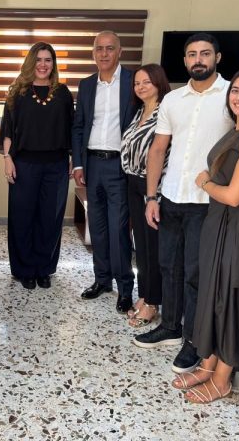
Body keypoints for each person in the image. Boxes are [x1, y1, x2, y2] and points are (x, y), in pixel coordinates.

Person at [134, 33, 239, 375]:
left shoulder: (235, 95)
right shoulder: (173, 100)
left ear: (217, 57)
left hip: (210, 203)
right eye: (191, 54)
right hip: (171, 196)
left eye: (204, 53)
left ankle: (193, 339)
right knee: (169, 266)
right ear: (185, 60)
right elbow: (158, 150)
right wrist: (152, 196)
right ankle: (170, 326)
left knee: (197, 275)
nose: (197, 59)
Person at [170, 68, 239, 403]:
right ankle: (208, 364)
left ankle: (222, 379)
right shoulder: (238, 129)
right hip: (221, 223)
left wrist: (204, 182)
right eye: (236, 90)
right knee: (214, 294)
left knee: (231, 298)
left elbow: (233, 195)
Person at [0, 42, 74, 290]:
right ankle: (24, 270)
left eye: (48, 60)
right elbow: (8, 130)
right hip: (24, 164)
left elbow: (71, 129)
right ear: (31, 62)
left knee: (49, 219)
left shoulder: (63, 93)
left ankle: (44, 269)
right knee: (22, 217)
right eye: (39, 59)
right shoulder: (18, 93)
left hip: (56, 166)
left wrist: (73, 158)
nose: (43, 64)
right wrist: (7, 159)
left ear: (53, 64)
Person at [72, 31, 136, 314]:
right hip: (92, 164)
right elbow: (78, 126)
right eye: (99, 48)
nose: (104, 54)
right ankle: (102, 280)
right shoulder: (86, 85)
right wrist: (78, 164)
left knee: (118, 228)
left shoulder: (133, 81)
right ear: (93, 53)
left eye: (110, 48)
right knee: (96, 227)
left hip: (120, 165)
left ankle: (125, 288)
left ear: (120, 51)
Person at [120, 64, 171, 327]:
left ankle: (153, 302)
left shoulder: (166, 112)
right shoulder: (140, 111)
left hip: (153, 188)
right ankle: (144, 294)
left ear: (158, 83)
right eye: (136, 83)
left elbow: (161, 153)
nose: (140, 87)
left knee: (153, 247)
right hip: (133, 183)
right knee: (140, 244)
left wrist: (152, 195)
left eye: (146, 82)